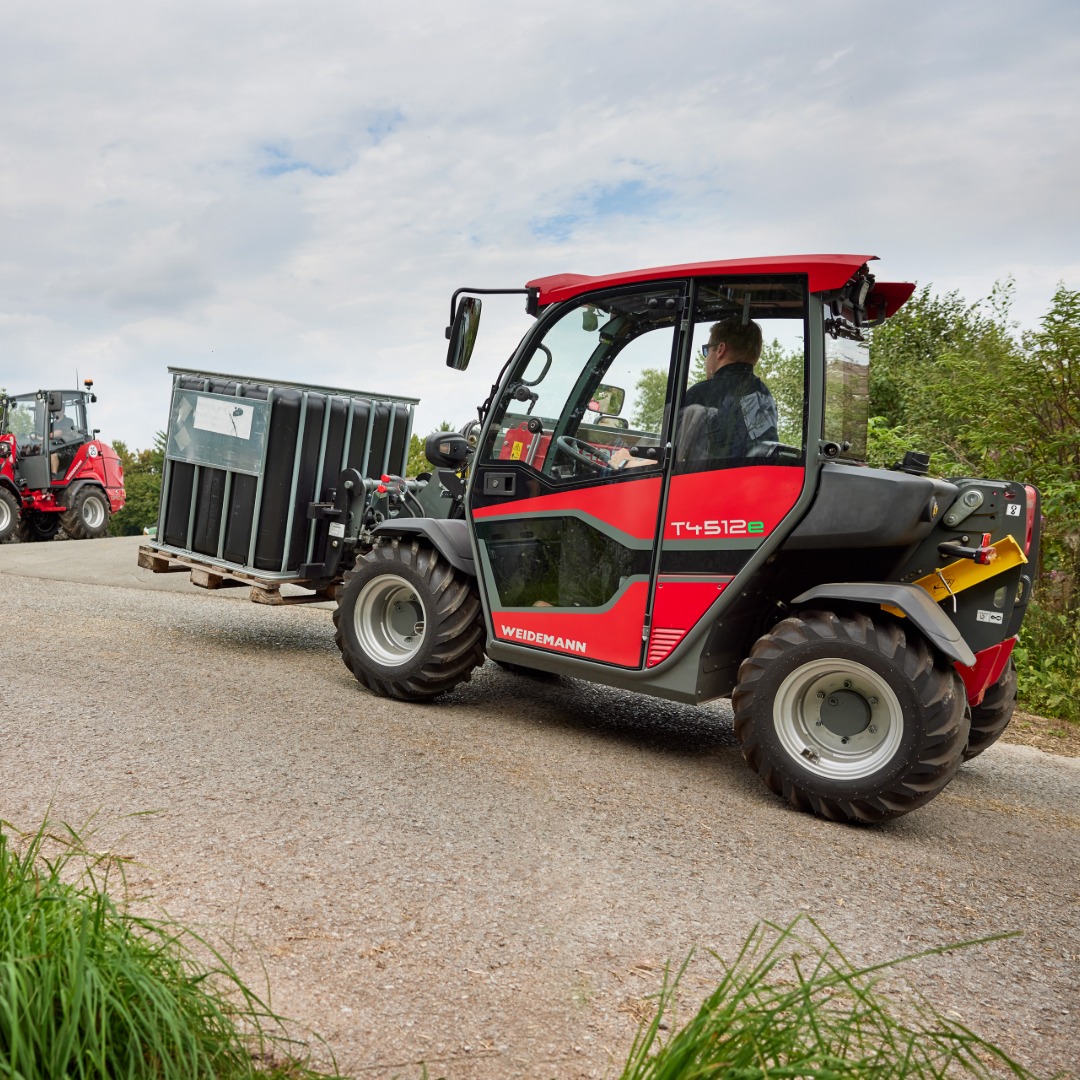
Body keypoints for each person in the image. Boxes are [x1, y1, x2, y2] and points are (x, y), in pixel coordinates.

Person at [609, 315, 777, 470]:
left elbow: (670, 459)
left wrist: (626, 462)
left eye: (706, 350)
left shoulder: (704, 394)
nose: (706, 358)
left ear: (720, 350)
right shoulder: (763, 395)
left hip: (707, 492)